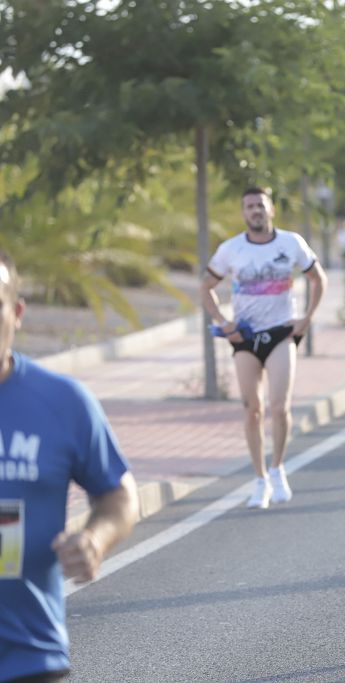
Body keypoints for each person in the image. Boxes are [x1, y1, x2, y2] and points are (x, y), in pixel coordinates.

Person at [0, 251, 139, 682]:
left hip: (28, 658)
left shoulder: (62, 402)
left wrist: (95, 539)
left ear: (16, 312)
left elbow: (118, 493)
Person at [200, 187, 327, 509]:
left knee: (278, 406)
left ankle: (278, 468)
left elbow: (318, 278)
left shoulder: (291, 243)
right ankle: (259, 480)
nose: (255, 210)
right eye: (249, 206)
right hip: (245, 337)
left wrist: (307, 318)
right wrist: (223, 322)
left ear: (271, 210)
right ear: (244, 213)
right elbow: (206, 287)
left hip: (281, 333)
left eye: (260, 205)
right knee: (251, 409)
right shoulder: (231, 249)